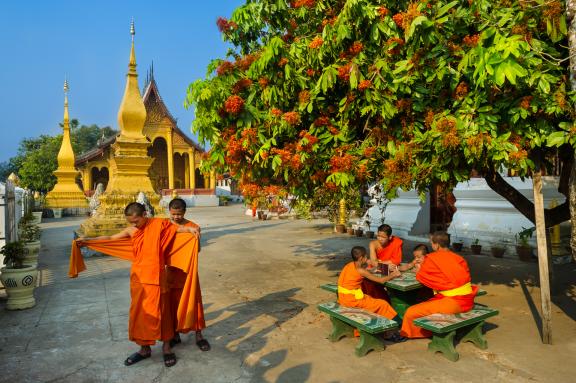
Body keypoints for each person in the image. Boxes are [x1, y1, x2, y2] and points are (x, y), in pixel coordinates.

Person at [75, 202, 199, 367]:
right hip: (139, 278)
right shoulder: (131, 230)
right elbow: (111, 238)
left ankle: (167, 348)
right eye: (130, 222)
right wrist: (88, 240)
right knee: (140, 314)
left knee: (163, 313)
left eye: (136, 221)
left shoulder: (157, 224)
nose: (133, 224)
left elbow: (175, 229)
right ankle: (144, 349)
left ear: (144, 215)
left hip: (158, 277)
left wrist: (189, 229)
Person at [400, 231, 478, 338]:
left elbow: (422, 278)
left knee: (410, 312)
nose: (431, 245)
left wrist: (418, 271)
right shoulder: (459, 258)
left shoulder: (432, 258)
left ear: (436, 245)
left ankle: (408, 334)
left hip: (453, 302)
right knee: (426, 301)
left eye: (431, 243)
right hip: (468, 299)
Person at [167, 198, 210, 351]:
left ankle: (199, 335)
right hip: (171, 271)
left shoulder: (194, 227)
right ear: (169, 212)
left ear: (184, 212)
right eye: (173, 214)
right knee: (172, 304)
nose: (176, 217)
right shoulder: (166, 227)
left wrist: (193, 241)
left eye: (179, 214)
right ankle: (175, 335)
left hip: (188, 272)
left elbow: (197, 250)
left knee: (194, 301)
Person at [338, 246, 406, 342]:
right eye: (366, 257)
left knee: (374, 300)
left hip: (343, 298)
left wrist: (377, 268)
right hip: (352, 301)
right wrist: (393, 274)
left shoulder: (349, 265)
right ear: (361, 258)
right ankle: (391, 332)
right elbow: (381, 280)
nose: (367, 259)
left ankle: (388, 327)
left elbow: (365, 271)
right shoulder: (360, 270)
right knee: (383, 304)